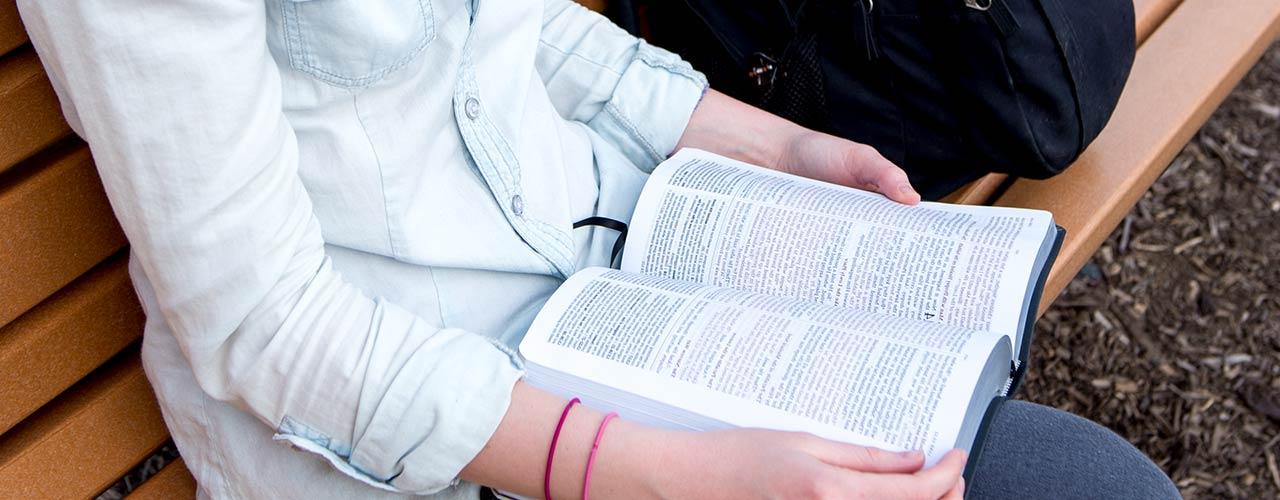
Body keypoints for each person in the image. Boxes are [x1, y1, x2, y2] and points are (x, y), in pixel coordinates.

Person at [16, 0, 1178, 498]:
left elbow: (523, 38)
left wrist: (779, 148)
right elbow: (268, 326)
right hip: (435, 437)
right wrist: (691, 474)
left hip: (628, 296)